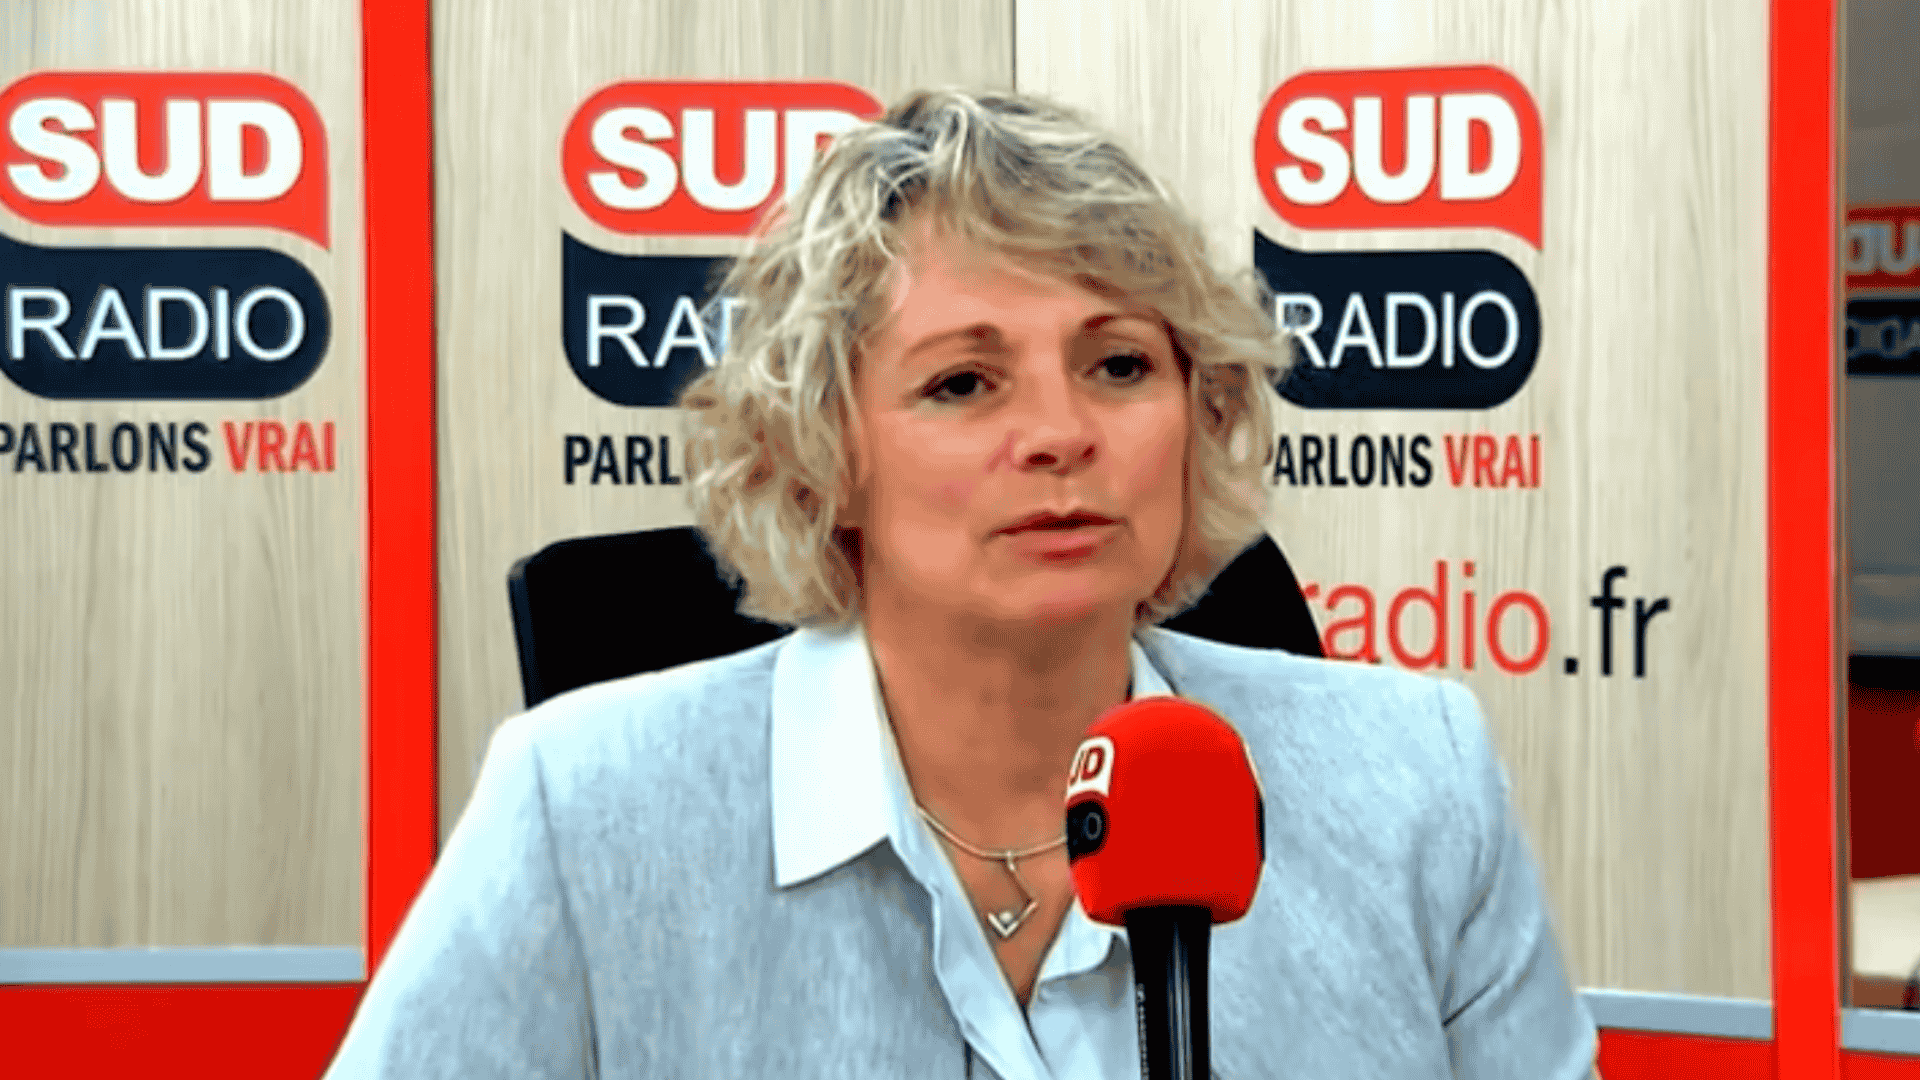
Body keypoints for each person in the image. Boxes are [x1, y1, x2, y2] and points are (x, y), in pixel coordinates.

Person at [325, 89, 1598, 1078]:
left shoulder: (1412, 783)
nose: (1060, 434)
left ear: (1199, 411)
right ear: (825, 452)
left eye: (1118, 366)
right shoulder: (585, 810)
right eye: (963, 383)